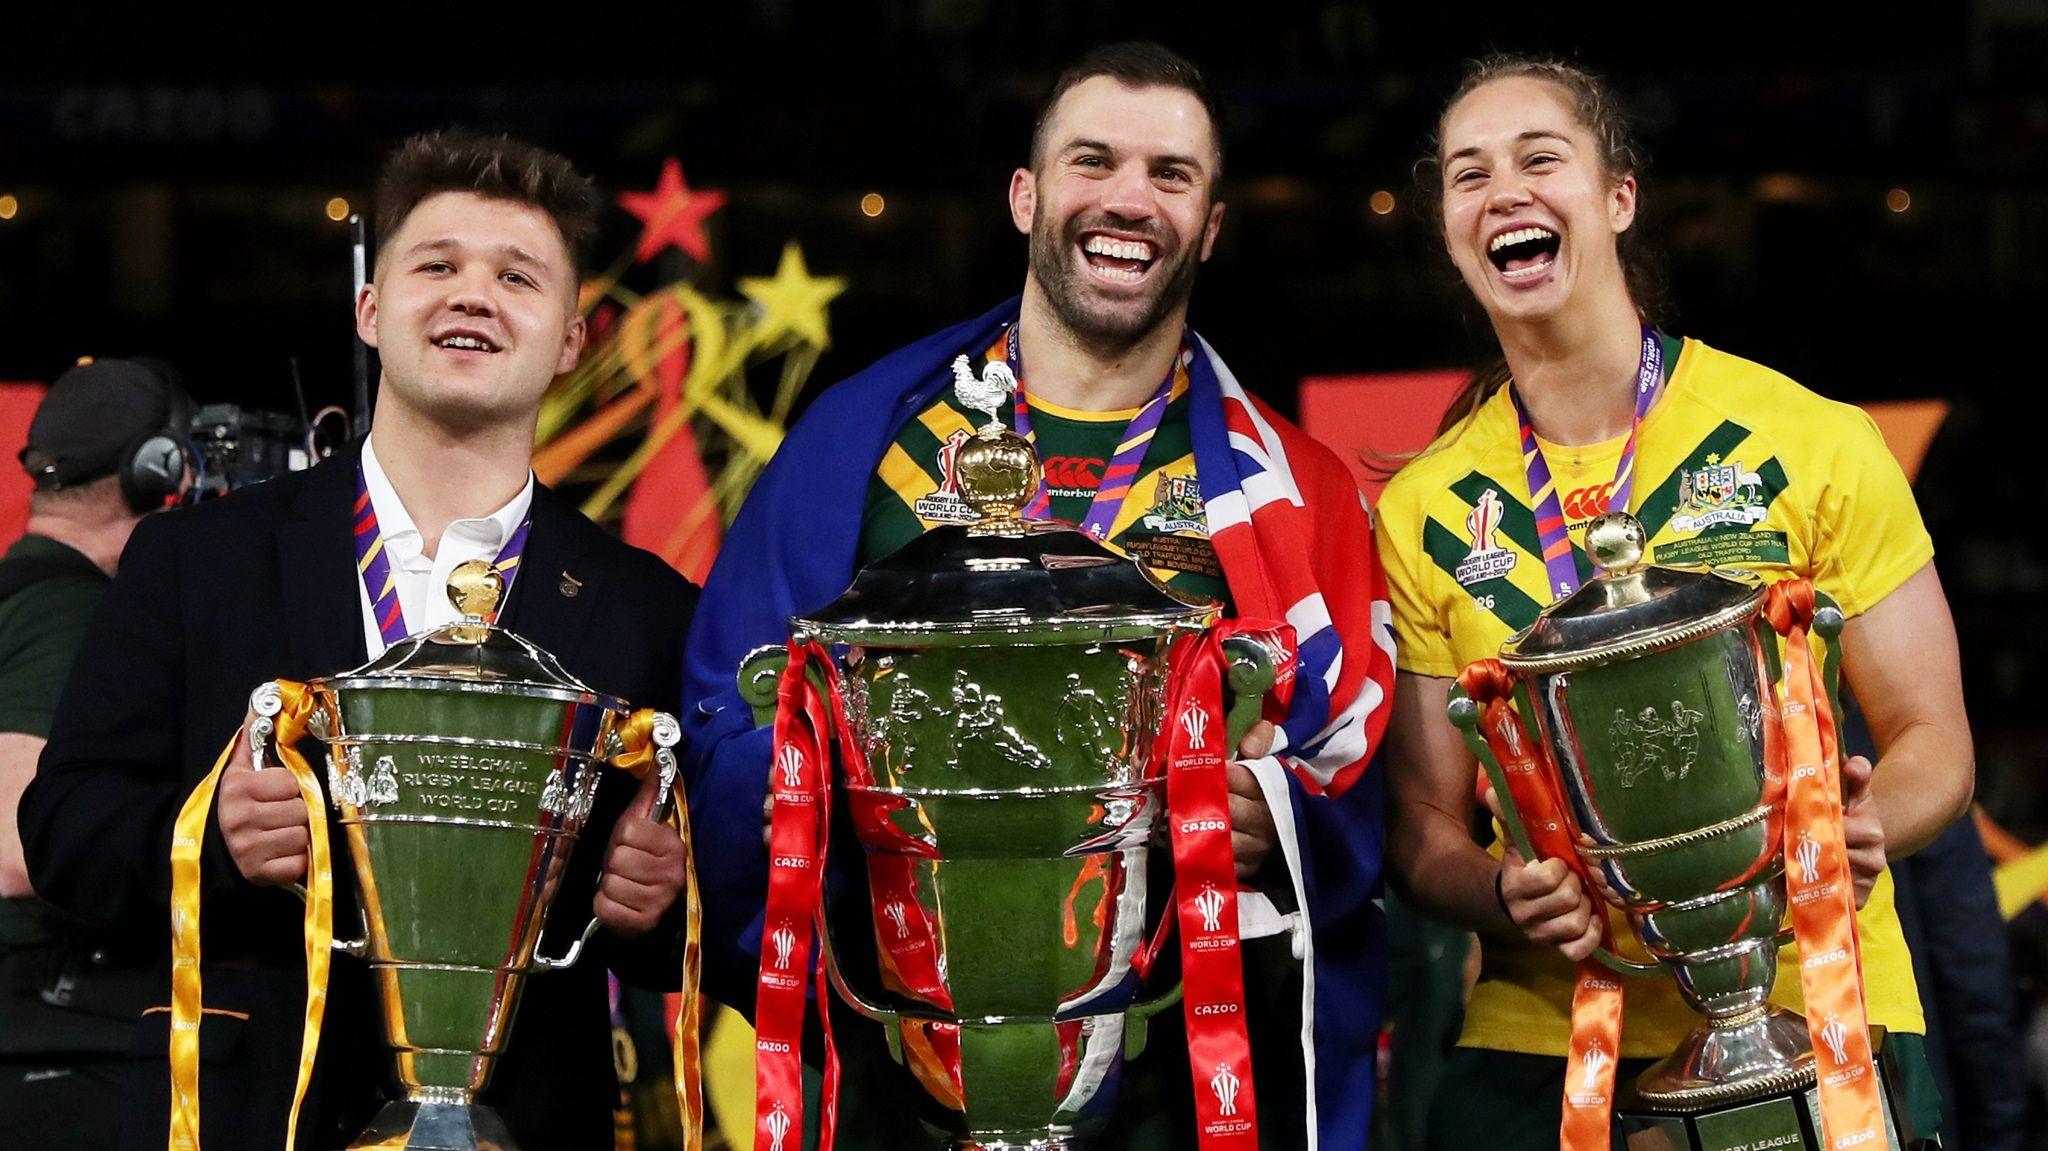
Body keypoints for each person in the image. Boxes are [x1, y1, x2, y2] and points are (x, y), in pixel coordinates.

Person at [683, 41, 1396, 1151]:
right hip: (900, 1057)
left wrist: (1281, 821)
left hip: (1173, 1072)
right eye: (1091, 161)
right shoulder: (857, 448)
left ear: (1209, 225)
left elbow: (1359, 766)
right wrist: (798, 781)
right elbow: (727, 698)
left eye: (1170, 174)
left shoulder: (1291, 490)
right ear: (1025, 196)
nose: (1127, 199)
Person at [18, 131, 700, 1150]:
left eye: (517, 275)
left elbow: (684, 900)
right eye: (436, 265)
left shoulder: (644, 607)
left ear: (569, 337)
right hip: (246, 1114)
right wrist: (209, 833)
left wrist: (661, 899)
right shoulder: (196, 560)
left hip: (530, 1118)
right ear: (370, 310)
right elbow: (64, 826)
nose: (472, 293)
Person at [1375, 55, 1974, 1150]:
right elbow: (1419, 823)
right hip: (1543, 1042)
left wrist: (1866, 821)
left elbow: (1932, 735)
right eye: (1468, 174)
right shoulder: (1422, 508)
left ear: (1617, 198)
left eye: (1537, 157)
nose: (1502, 188)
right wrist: (1498, 890)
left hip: (1820, 1010)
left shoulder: (1810, 438)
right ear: (1453, 232)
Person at [1, 357, 194, 1144]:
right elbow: (18, 846)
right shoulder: (72, 612)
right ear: (159, 471)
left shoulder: (20, 587)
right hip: (42, 1016)